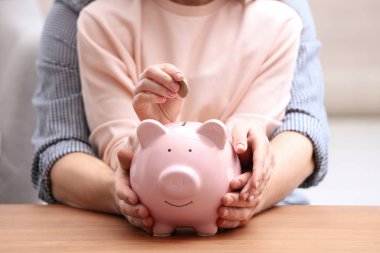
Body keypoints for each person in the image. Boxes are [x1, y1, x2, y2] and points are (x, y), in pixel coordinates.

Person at [32, 0, 328, 233]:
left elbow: (302, 127)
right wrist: (139, 158)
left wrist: (253, 189)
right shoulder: (96, 18)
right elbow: (65, 149)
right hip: (120, 227)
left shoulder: (280, 19)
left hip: (260, 221)